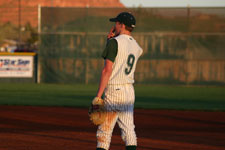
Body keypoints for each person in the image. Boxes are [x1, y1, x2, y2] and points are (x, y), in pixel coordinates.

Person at [95, 12, 143, 150]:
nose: (114, 25)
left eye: (116, 23)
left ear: (122, 25)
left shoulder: (114, 43)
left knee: (104, 130)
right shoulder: (137, 46)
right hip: (129, 91)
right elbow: (122, 58)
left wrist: (98, 96)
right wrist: (109, 42)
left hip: (114, 90)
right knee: (129, 129)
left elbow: (107, 70)